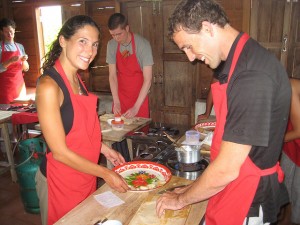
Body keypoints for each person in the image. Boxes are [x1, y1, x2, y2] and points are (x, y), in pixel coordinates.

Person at [156, 0, 291, 224]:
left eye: (189, 46)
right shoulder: (238, 61)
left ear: (207, 28)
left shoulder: (252, 75)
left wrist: (181, 200)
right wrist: (190, 190)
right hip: (234, 184)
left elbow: (227, 169)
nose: (190, 58)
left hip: (247, 196)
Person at [35, 15, 129, 225]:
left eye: (94, 44)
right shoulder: (49, 86)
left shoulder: (77, 79)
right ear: (63, 41)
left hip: (83, 176)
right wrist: (106, 173)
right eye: (82, 41)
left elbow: (77, 132)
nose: (90, 51)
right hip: (60, 183)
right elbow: (59, 152)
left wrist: (103, 149)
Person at [106, 13, 153, 119]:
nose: (116, 38)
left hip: (139, 98)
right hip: (120, 97)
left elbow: (148, 80)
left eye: (119, 34)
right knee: (119, 131)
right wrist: (116, 101)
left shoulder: (143, 45)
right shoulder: (111, 45)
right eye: (113, 35)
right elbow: (112, 76)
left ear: (127, 28)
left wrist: (136, 107)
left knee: (139, 133)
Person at [278, 78, 300, 225]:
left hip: (294, 136)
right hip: (289, 142)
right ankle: (287, 218)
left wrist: (274, 141)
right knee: (285, 184)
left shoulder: (290, 87)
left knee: (298, 189)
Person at [0, 18, 29, 104]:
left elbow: (26, 69)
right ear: (2, 32)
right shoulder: (1, 47)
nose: (9, 34)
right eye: (6, 32)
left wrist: (24, 61)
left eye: (11, 31)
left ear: (14, 30)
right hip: (5, 87)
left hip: (19, 84)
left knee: (21, 109)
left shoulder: (20, 46)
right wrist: (10, 61)